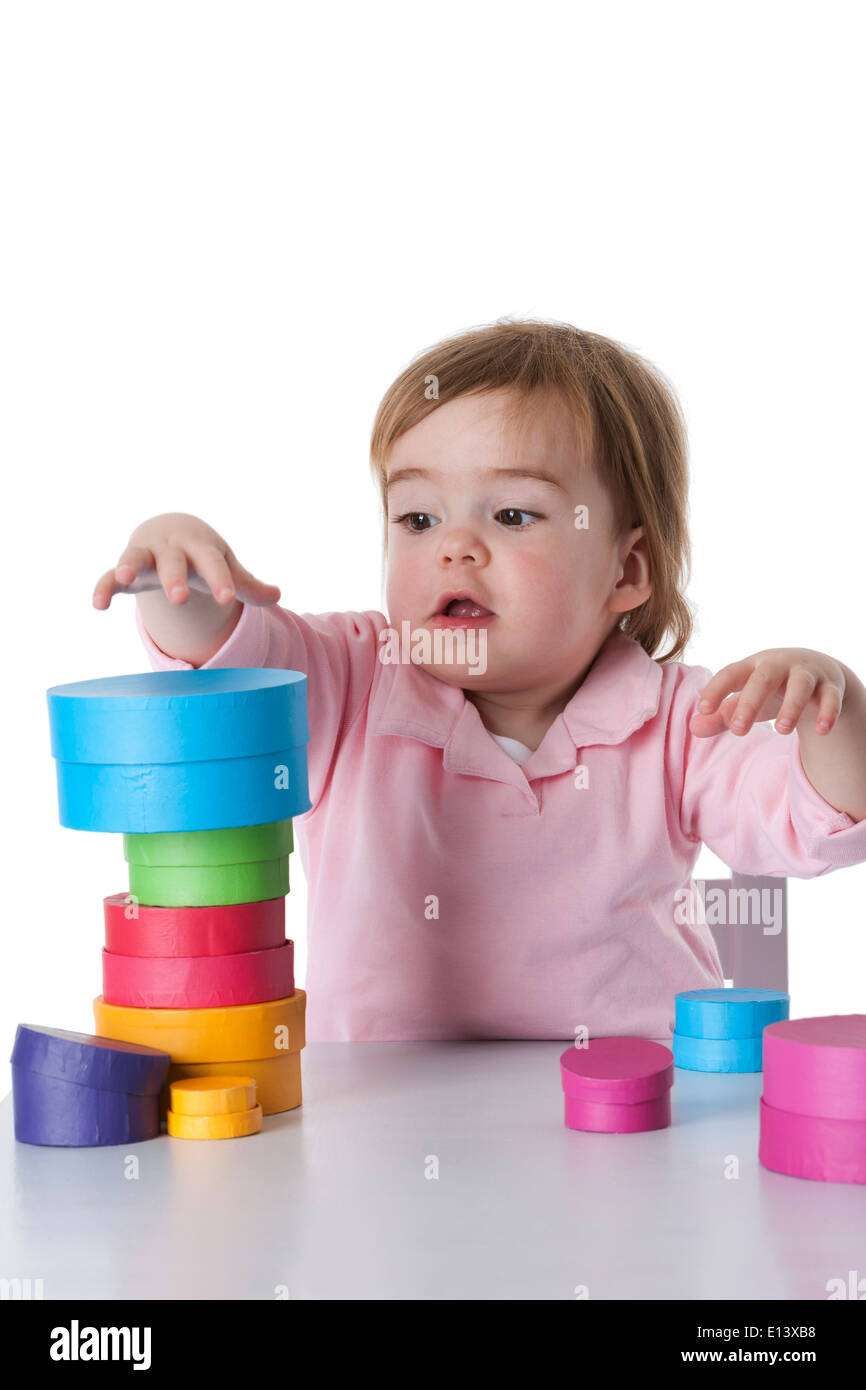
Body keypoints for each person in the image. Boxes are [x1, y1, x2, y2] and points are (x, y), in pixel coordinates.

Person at [92, 319, 866, 1041]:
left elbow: (820, 821)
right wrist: (178, 577)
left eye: (513, 516)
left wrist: (839, 707)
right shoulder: (354, 673)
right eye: (419, 519)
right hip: (382, 1118)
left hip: (629, 1103)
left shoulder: (679, 719)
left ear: (626, 570)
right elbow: (226, 668)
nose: (456, 547)